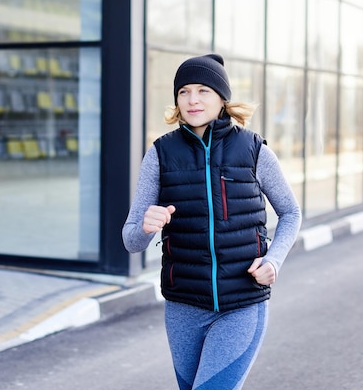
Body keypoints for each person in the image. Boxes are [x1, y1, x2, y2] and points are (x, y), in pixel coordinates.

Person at [122, 54, 302, 390]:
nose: (192, 100)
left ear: (222, 98)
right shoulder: (160, 154)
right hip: (183, 308)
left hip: (242, 304)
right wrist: (147, 227)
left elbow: (291, 213)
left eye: (203, 90)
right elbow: (131, 240)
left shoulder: (253, 150)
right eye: (184, 91)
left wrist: (274, 260)